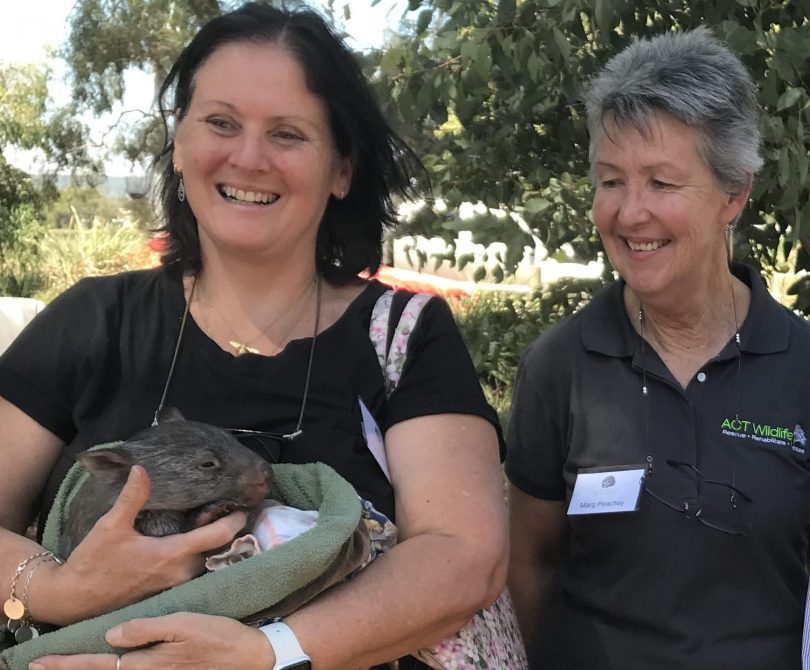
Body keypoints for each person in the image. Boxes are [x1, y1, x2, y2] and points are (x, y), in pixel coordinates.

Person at [0, 4, 508, 669]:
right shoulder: (94, 322)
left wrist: (269, 653)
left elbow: (464, 556)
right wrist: (56, 590)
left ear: (341, 169)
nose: (248, 157)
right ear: (179, 142)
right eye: (220, 123)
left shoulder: (404, 337)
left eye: (288, 134)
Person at [506, 27, 810, 670]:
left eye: (662, 183)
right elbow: (530, 560)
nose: (629, 213)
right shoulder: (561, 366)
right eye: (611, 181)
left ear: (734, 194)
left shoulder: (801, 366)